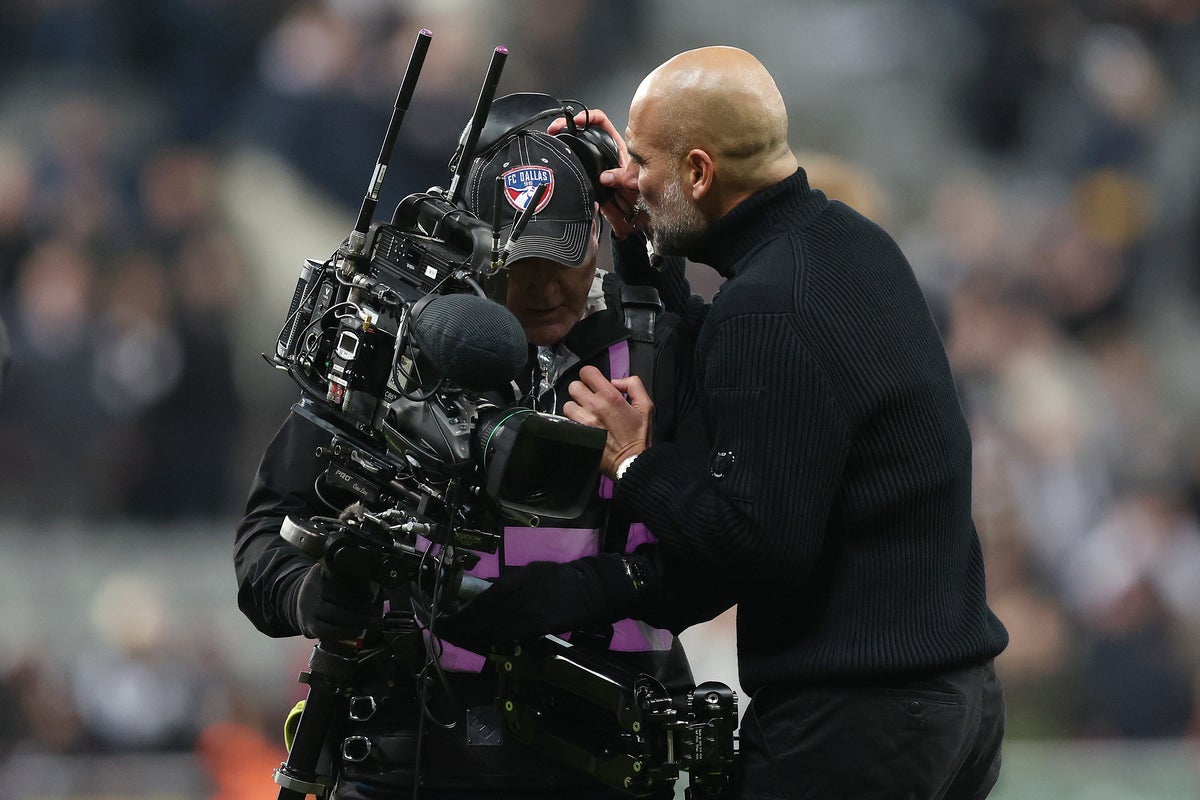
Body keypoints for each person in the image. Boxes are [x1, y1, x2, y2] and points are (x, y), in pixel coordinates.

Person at [454, 47, 1012, 799]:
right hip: (956, 703)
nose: (631, 183)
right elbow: (757, 374)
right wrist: (639, 253)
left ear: (697, 174)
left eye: (645, 162)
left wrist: (632, 460)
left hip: (858, 720)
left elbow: (760, 543)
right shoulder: (849, 244)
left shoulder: (768, 306)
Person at [234, 101, 698, 799]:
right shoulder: (385, 350)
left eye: (560, 255)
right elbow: (265, 536)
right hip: (409, 752)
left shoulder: (664, 346)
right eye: (519, 262)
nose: (541, 287)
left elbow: (735, 544)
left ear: (597, 228)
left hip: (607, 760)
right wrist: (305, 595)